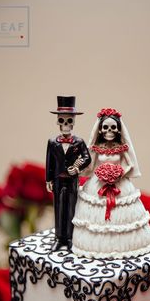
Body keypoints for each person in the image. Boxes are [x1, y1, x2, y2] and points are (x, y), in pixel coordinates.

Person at [72, 108, 150, 258]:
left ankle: (124, 246)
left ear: (118, 130)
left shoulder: (121, 148)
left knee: (122, 217)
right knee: (95, 218)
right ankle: (96, 247)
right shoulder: (97, 148)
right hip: (98, 184)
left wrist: (120, 173)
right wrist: (89, 171)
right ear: (100, 130)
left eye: (113, 127)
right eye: (105, 127)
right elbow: (91, 165)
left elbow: (130, 164)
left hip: (120, 183)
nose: (109, 131)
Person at [46, 96, 91, 251]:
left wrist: (77, 169)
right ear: (57, 121)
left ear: (73, 121)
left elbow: (87, 157)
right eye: (62, 120)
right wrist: (48, 180)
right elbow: (49, 162)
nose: (65, 124)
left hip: (72, 181)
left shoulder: (79, 142)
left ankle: (71, 238)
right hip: (58, 181)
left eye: (69, 120)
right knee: (58, 209)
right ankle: (59, 238)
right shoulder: (52, 142)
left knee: (71, 209)